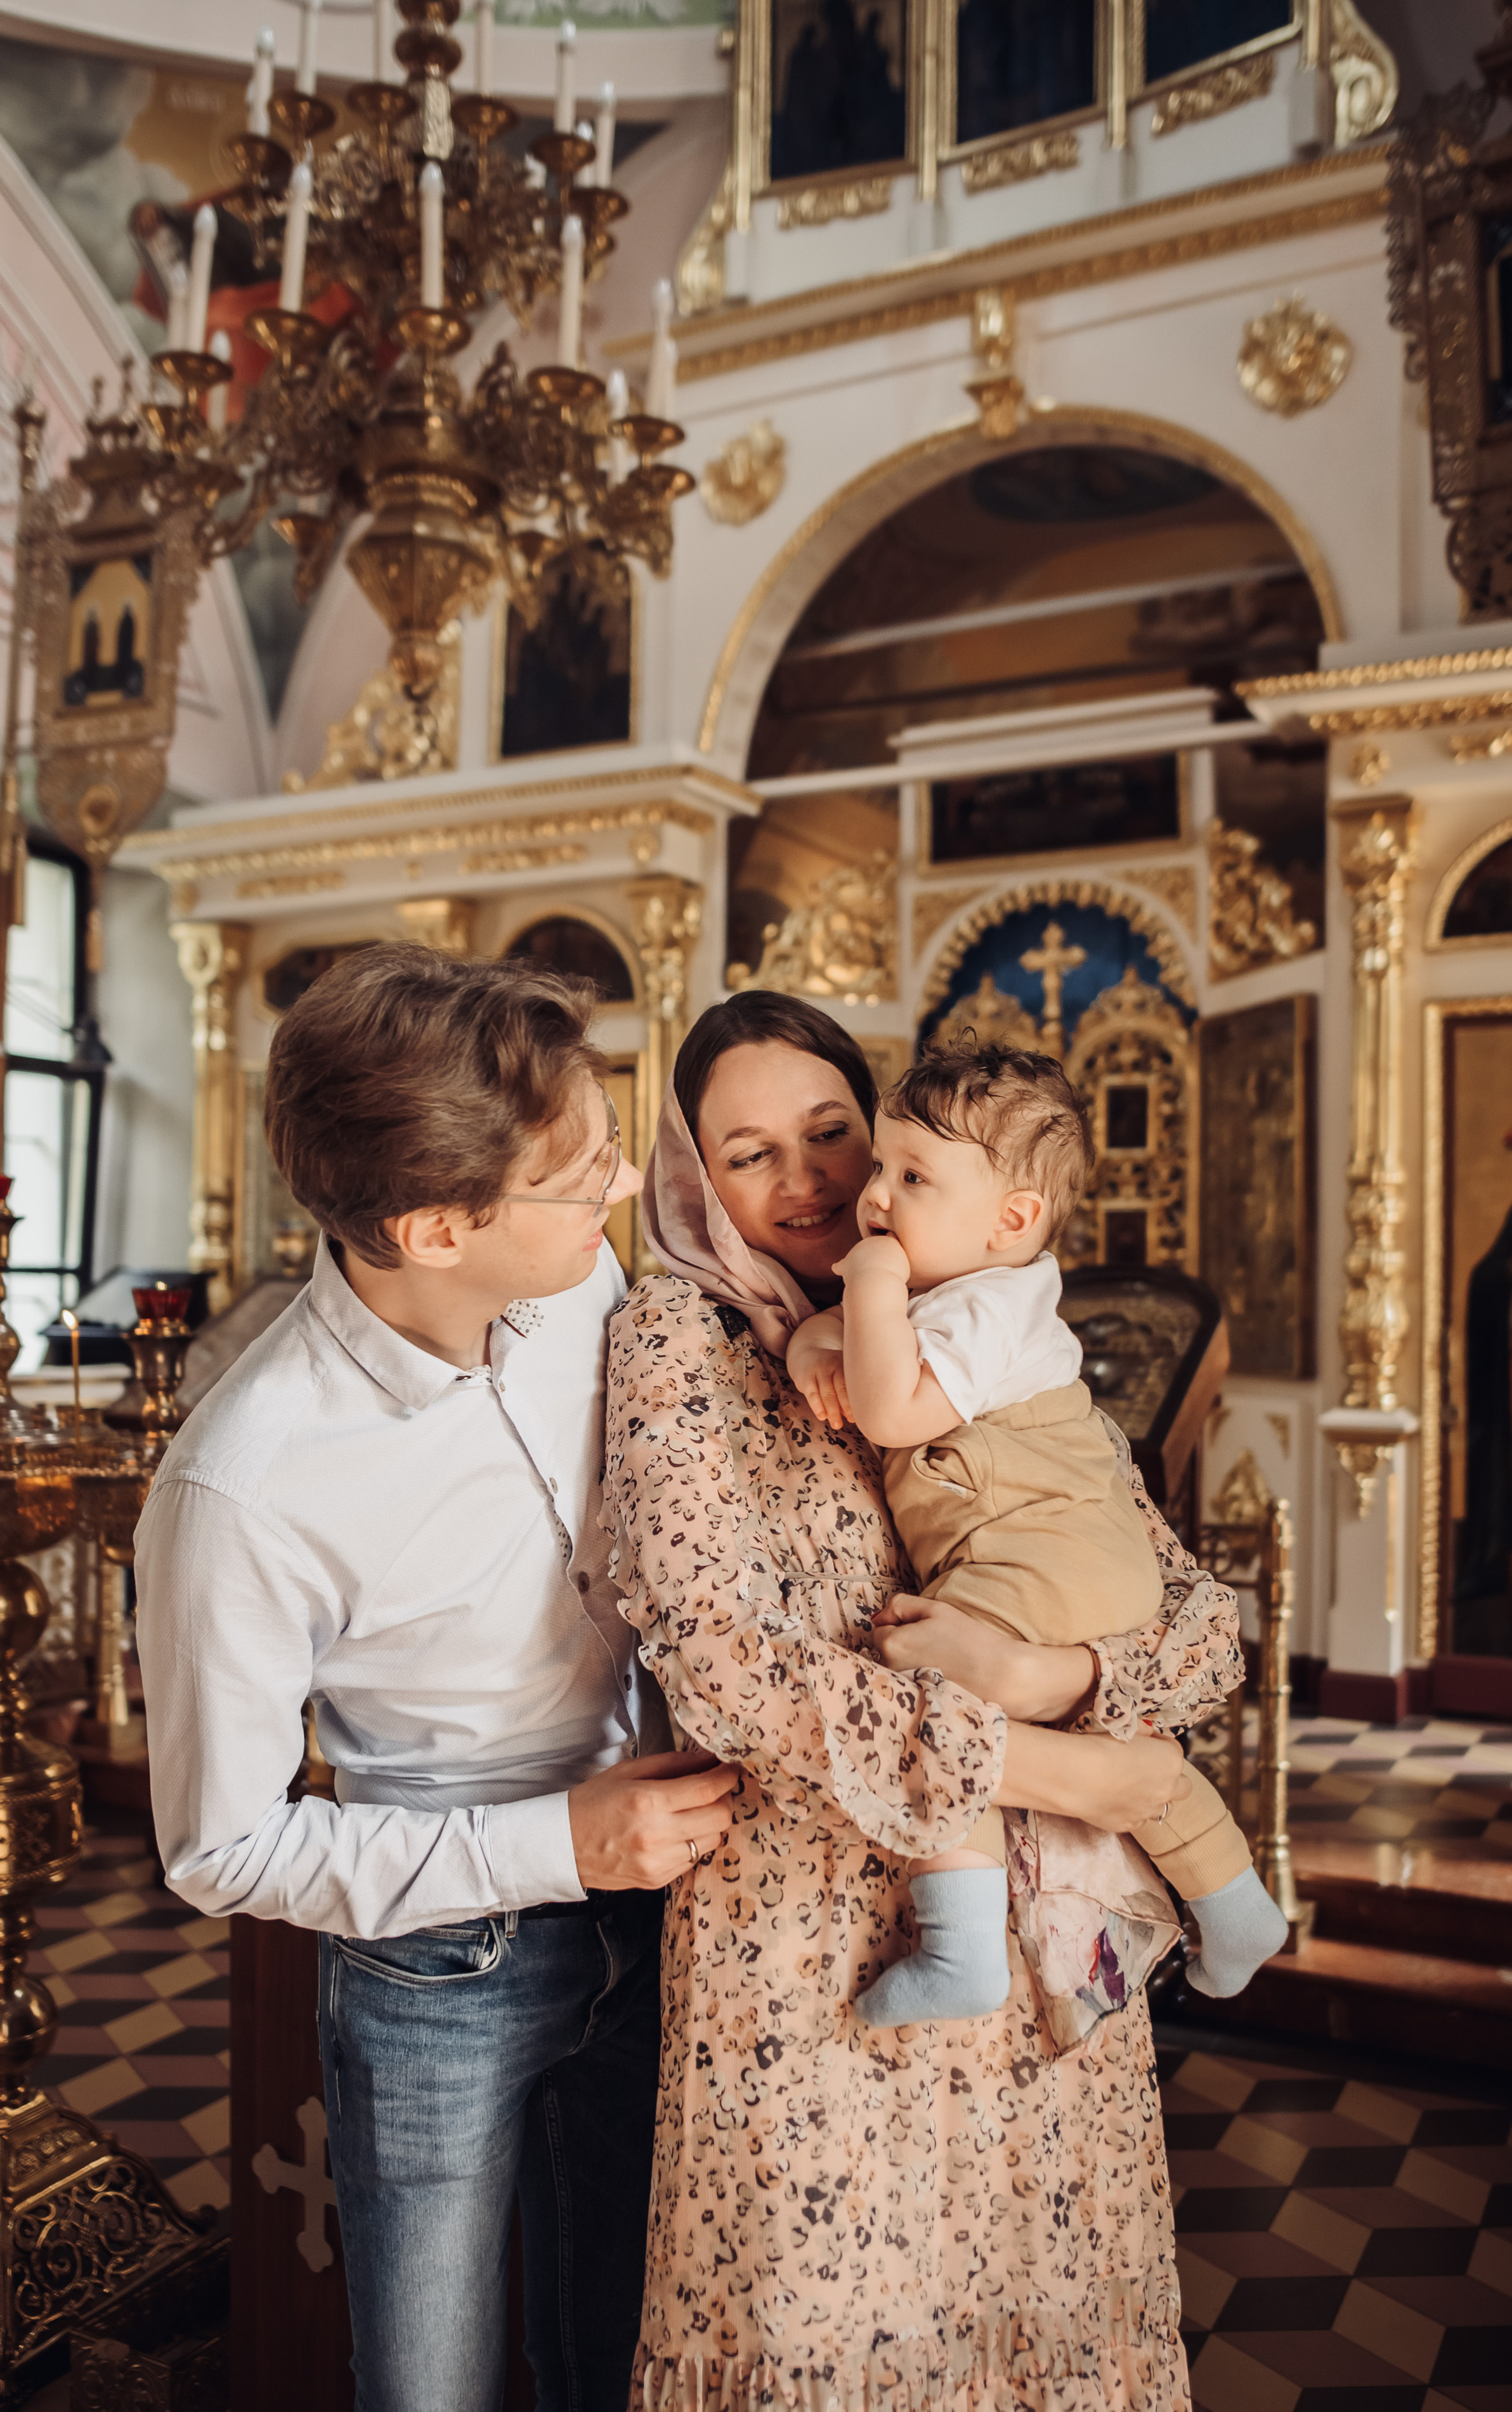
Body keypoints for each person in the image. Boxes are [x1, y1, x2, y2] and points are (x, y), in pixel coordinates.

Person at [604, 989, 1242, 2411]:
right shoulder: (677, 1344)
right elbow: (727, 1666)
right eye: (749, 1153)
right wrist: (1055, 1762)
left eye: (833, 1133)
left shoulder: (988, 1334)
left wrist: (1059, 1676)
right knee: (827, 2344)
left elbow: (1196, 1627)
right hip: (816, 1961)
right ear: (693, 1176)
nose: (812, 1181)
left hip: (1035, 1962)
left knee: (1039, 2341)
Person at [135, 946, 738, 2412]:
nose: (611, 1194)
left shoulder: (585, 1280)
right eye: (577, 1170)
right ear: (430, 1226)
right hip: (438, 1971)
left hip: (667, 1906)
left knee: (626, 2351)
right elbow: (219, 1847)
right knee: (431, 2385)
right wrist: (557, 1843)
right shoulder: (244, 1486)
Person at [785, 1040, 1286, 2028]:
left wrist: (866, 1288)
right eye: (881, 1168)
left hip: (1043, 1550)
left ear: (1012, 1221)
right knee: (1095, 1733)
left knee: (927, 1695)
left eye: (914, 1178)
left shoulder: (992, 1305)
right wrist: (821, 1335)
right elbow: (859, 1360)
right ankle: (1237, 1905)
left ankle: (962, 1944)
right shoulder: (960, 1293)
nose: (876, 1198)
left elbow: (888, 1410)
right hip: (1065, 1556)